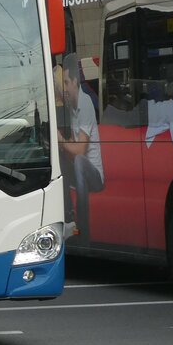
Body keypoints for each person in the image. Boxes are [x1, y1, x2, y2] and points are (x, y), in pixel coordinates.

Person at [59, 53, 104, 241]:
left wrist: (61, 140)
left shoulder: (85, 104)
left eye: (66, 82)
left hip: (95, 178)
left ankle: (83, 230)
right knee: (59, 157)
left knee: (77, 160)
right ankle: (67, 215)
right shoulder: (72, 105)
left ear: (75, 82)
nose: (65, 88)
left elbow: (80, 151)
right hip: (79, 174)